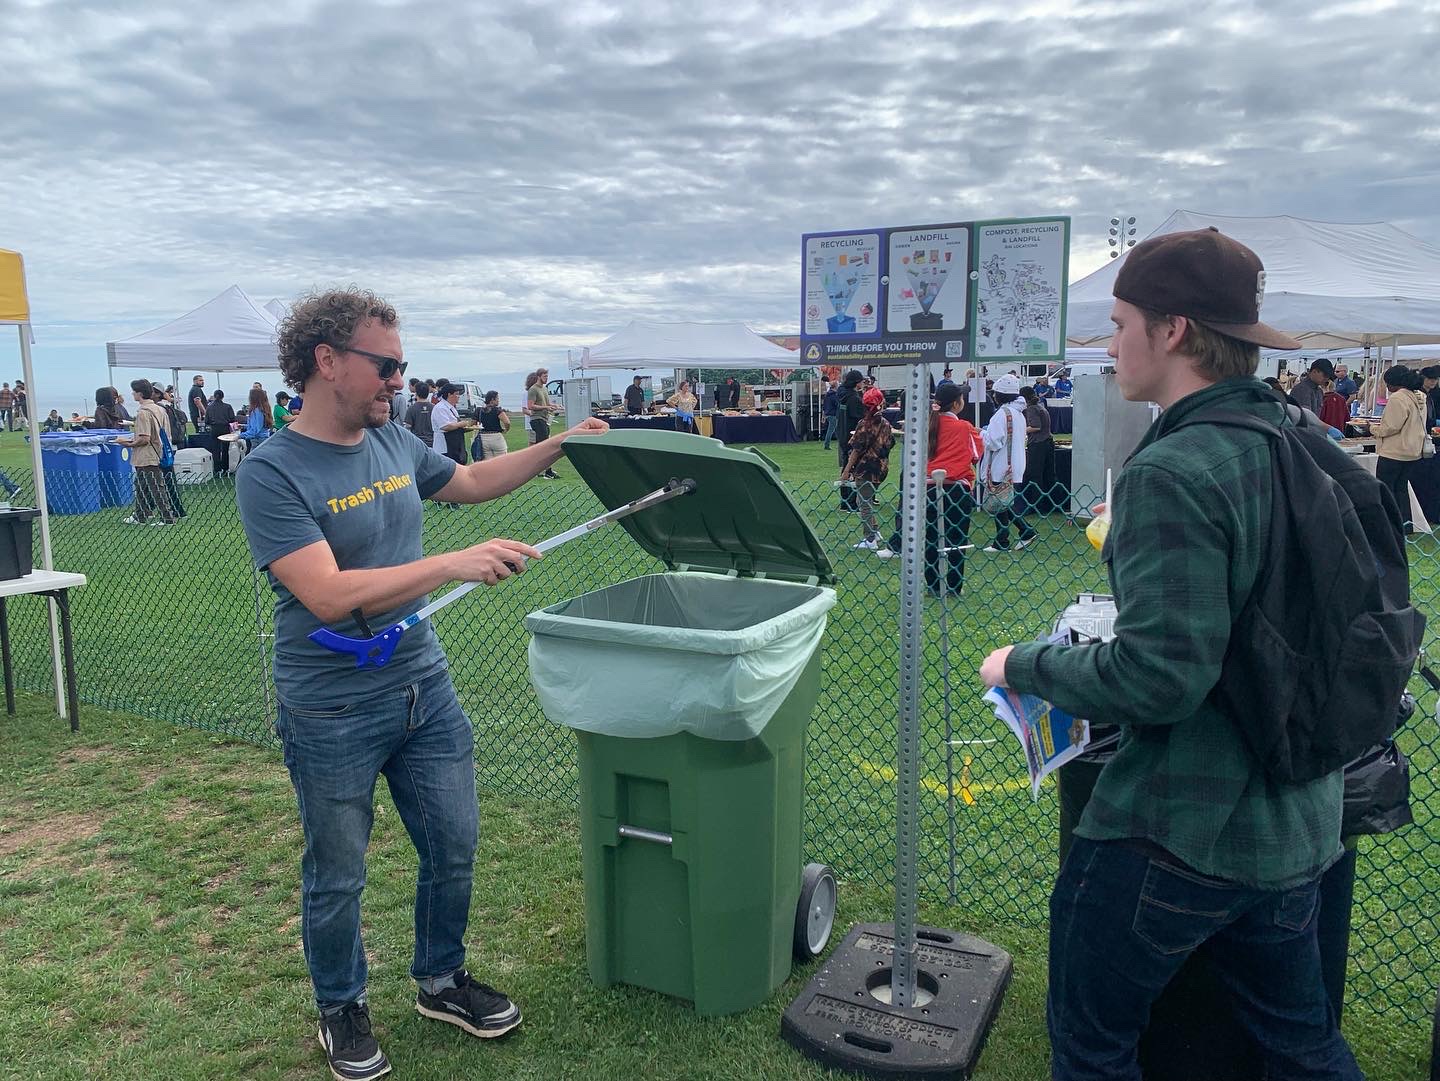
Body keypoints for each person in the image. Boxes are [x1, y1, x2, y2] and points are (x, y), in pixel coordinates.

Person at [979, 227, 1363, 1081]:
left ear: (1174, 330)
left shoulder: (1174, 469)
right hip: (1299, 817)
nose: (1111, 344)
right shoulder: (1303, 441)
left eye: (1120, 323)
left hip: (1179, 825)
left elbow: (1159, 676)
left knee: (1091, 1040)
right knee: (1300, 1042)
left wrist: (1022, 664)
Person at [234, 288, 608, 1081]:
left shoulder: (395, 440)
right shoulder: (271, 471)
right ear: (326, 360)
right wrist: (450, 562)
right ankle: (341, 1004)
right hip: (329, 702)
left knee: (455, 841)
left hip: (421, 685)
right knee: (338, 869)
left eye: (403, 366)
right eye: (387, 364)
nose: (399, 379)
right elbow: (329, 593)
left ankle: (441, 979)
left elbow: (468, 484)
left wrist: (560, 444)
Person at [880, 382, 984, 596]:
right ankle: (954, 586)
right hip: (956, 489)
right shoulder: (964, 427)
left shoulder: (925, 426)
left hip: (926, 488)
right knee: (956, 539)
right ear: (957, 404)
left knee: (930, 538)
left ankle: (933, 585)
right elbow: (976, 455)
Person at [982, 373, 1036, 552]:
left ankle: (1012, 536)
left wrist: (980, 434)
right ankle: (1009, 537)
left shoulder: (1002, 414)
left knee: (1000, 503)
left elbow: (994, 441)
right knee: (1005, 503)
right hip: (1015, 462)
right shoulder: (1018, 413)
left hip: (1002, 465)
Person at [838, 387, 894, 550]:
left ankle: (870, 539)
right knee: (866, 500)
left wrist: (847, 470)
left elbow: (856, 449)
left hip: (866, 469)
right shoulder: (886, 423)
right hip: (881, 468)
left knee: (863, 502)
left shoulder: (864, 424)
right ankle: (875, 532)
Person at [116, 379, 177, 525]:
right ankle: (140, 515)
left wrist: (128, 443)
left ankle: (167, 517)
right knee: (142, 485)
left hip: (147, 454)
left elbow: (144, 438)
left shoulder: (143, 413)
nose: (132, 394)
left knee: (156, 487)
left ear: (140, 394)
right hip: (159, 451)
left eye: (134, 392)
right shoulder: (160, 409)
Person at [1374, 364, 1426, 532]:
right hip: (1412, 451)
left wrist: (1372, 429)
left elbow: (1391, 426)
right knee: (1401, 490)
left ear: (1395, 383)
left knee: (1386, 489)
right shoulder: (1419, 397)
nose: (1388, 388)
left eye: (1388, 384)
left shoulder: (1398, 398)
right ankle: (1405, 525)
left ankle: (1388, 525)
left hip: (1393, 452)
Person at [1018, 385, 1057, 515]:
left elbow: (1035, 427)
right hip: (1048, 443)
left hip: (1038, 444)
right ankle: (1050, 505)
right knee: (1048, 475)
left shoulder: (1031, 409)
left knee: (1034, 476)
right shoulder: (1040, 406)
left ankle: (1036, 506)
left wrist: (1020, 430)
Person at [527, 369, 559, 479]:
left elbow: (546, 403)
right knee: (545, 446)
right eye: (545, 376)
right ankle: (547, 471)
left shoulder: (544, 389)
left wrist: (554, 406)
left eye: (547, 376)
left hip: (545, 419)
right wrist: (546, 407)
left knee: (540, 445)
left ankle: (537, 470)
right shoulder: (533, 389)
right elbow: (530, 406)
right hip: (537, 419)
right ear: (539, 376)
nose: (546, 378)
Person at [432, 381, 473, 466]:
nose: (459, 397)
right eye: (457, 394)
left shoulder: (451, 407)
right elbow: (445, 426)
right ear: (449, 395)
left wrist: (467, 427)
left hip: (455, 445)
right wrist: (461, 424)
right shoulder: (440, 408)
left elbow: (454, 424)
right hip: (445, 447)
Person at [835, 369, 866, 471]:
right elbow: (860, 417)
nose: (863, 383)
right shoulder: (854, 398)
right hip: (852, 435)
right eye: (862, 381)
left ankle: (844, 482)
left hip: (842, 432)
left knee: (845, 462)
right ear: (857, 383)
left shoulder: (842, 395)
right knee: (852, 465)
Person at [205, 389, 237, 478]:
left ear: (214, 396)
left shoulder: (209, 407)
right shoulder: (228, 407)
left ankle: (217, 470)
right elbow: (232, 419)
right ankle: (225, 469)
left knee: (216, 450)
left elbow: (206, 420)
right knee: (225, 450)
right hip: (225, 429)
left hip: (214, 429)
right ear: (223, 397)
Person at [470, 391, 509, 462]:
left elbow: (472, 423)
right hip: (496, 437)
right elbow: (507, 422)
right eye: (497, 398)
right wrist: (506, 429)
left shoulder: (479, 410)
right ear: (492, 400)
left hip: (483, 438)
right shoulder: (497, 410)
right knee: (502, 461)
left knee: (487, 462)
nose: (498, 400)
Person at [403, 380, 435, 448]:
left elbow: (407, 426)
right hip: (433, 442)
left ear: (416, 393)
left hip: (417, 443)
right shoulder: (434, 407)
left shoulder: (411, 408)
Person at [819, 380, 839, 449]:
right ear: (836, 386)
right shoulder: (834, 395)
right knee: (831, 430)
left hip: (828, 414)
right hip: (833, 414)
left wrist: (823, 416)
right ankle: (826, 445)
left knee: (833, 429)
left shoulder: (827, 395)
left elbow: (824, 406)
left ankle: (837, 443)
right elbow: (837, 404)